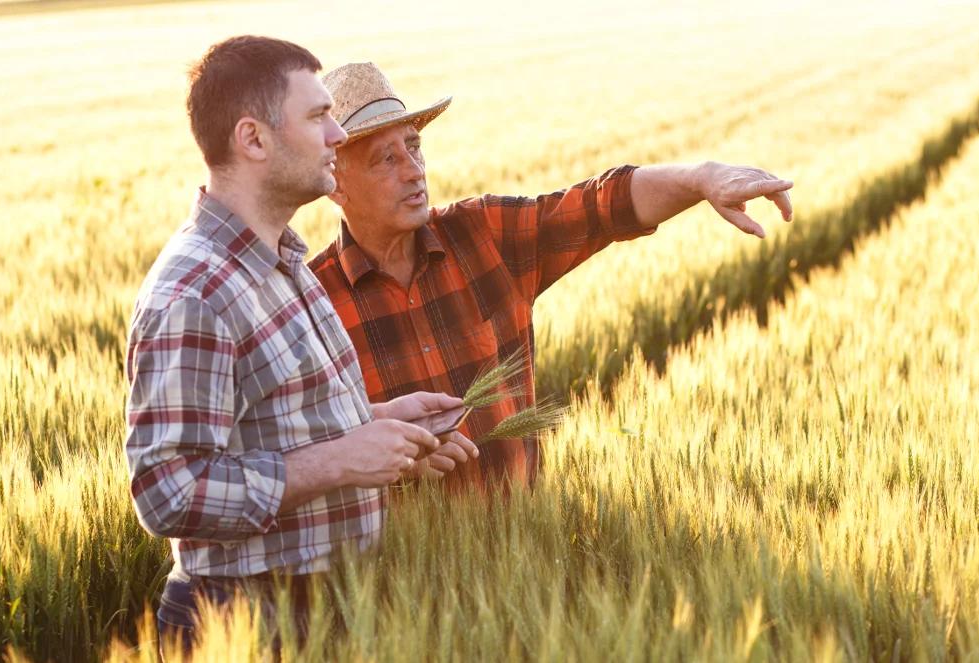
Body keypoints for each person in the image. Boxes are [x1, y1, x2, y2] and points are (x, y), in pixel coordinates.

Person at [123, 39, 477, 654]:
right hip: (245, 623)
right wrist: (340, 461)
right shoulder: (196, 293)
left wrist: (381, 430)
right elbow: (166, 492)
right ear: (253, 139)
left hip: (325, 609)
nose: (339, 135)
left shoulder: (283, 259)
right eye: (319, 116)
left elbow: (272, 425)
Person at [309, 62, 794, 490]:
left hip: (527, 547)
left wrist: (700, 179)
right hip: (402, 577)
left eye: (415, 148)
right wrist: (388, 464)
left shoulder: (482, 235)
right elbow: (297, 451)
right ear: (336, 182)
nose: (414, 171)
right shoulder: (311, 304)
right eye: (386, 159)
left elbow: (600, 207)